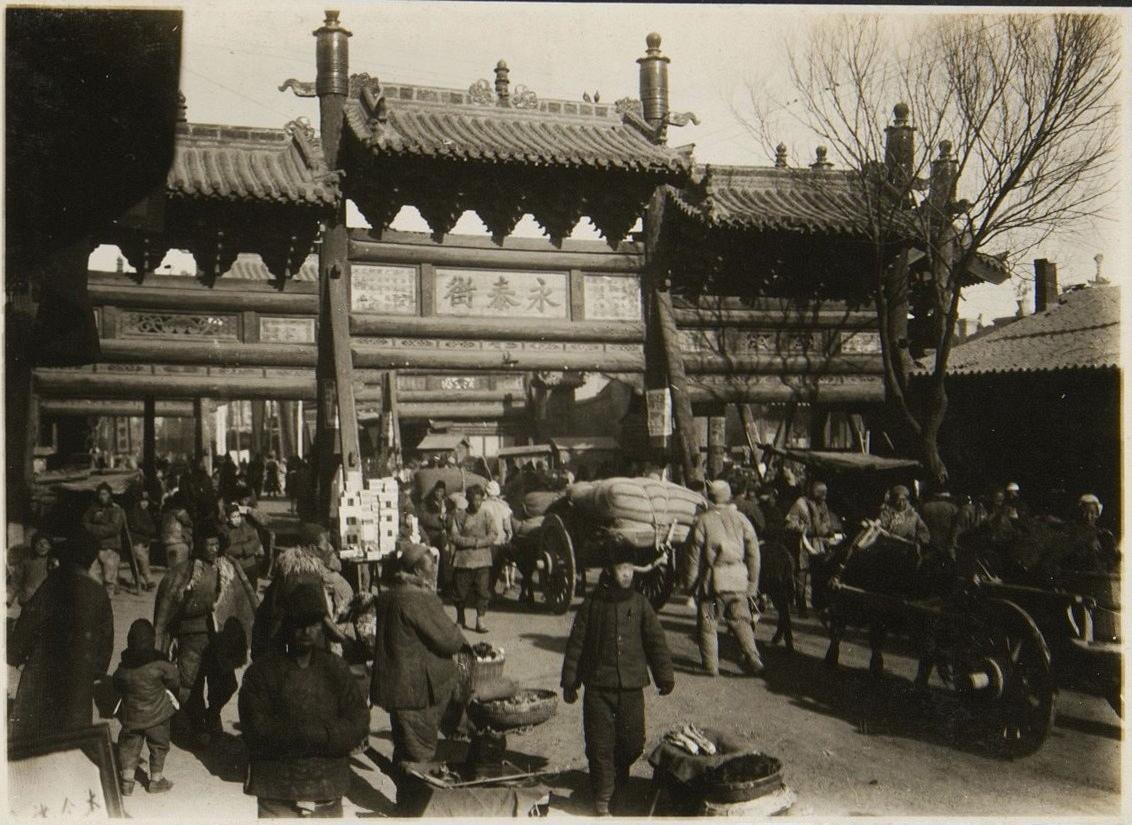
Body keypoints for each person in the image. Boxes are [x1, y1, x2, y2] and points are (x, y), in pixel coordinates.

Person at [561, 542, 674, 817]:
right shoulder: (592, 604)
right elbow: (576, 644)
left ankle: (616, 777)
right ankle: (603, 798)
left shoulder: (641, 604)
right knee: (599, 744)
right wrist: (570, 681)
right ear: (609, 570)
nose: (627, 573)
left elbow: (656, 643)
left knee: (633, 743)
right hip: (598, 688)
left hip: (631, 688)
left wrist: (664, 676)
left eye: (630, 568)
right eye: (621, 568)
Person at [239, 582, 370, 818]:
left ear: (322, 626)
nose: (306, 631)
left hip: (327, 785)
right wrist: (304, 734)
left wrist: (324, 735)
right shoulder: (262, 672)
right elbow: (255, 727)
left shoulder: (336, 669)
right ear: (286, 625)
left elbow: (359, 720)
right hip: (277, 788)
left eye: (314, 623)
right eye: (298, 623)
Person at [154, 528, 258, 747]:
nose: (213, 549)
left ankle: (212, 713)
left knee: (226, 684)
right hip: (192, 637)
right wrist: (161, 639)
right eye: (209, 544)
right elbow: (166, 607)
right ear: (199, 546)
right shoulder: (184, 572)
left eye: (216, 544)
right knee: (189, 685)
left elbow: (243, 602)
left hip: (220, 638)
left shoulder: (228, 568)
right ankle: (198, 723)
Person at [8, 533, 114, 740]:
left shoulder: (54, 583)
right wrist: (97, 671)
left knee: (36, 730)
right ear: (91, 559)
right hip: (79, 671)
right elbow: (105, 637)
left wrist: (15, 653)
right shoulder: (98, 592)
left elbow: (30, 619)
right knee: (71, 731)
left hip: (43, 666)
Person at [371, 543, 469, 769]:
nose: (435, 570)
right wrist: (457, 634)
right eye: (431, 566)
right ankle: (414, 789)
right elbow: (450, 641)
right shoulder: (418, 598)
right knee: (419, 753)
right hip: (418, 691)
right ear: (417, 571)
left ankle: (403, 786)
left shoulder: (388, 595)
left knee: (404, 746)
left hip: (397, 689)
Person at [684, 480, 764, 677]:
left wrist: (691, 585)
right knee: (741, 621)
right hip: (738, 582)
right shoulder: (741, 519)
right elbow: (754, 552)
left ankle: (711, 666)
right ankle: (753, 657)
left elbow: (693, 557)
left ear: (710, 497)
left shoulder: (703, 521)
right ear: (728, 496)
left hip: (714, 585)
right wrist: (752, 581)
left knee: (708, 624)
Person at [113, 619, 180, 795]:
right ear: (152, 640)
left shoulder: (124, 666)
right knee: (159, 745)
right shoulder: (160, 663)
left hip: (132, 716)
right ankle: (156, 780)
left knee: (129, 745)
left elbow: (116, 683)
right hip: (157, 714)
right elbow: (174, 679)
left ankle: (127, 781)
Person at [785, 480, 842, 617]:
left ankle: (818, 606)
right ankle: (801, 606)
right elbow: (789, 523)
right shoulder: (800, 503)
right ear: (815, 493)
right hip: (803, 544)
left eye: (825, 495)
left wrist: (827, 530)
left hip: (819, 544)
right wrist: (803, 528)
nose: (824, 497)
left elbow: (827, 522)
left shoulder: (823, 505)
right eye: (821, 494)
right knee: (801, 575)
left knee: (819, 576)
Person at [448, 484, 498, 633]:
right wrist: (470, 542)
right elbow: (454, 536)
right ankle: (460, 618)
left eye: (480, 500)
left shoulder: (486, 515)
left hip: (482, 560)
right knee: (460, 592)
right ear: (468, 500)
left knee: (482, 592)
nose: (477, 503)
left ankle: (480, 620)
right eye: (474, 500)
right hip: (463, 561)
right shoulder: (460, 516)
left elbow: (493, 534)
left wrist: (480, 543)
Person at [82, 481, 129, 595]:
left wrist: (93, 529)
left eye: (105, 494)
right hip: (96, 547)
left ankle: (107, 600)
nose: (102, 496)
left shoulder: (116, 509)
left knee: (109, 579)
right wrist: (97, 527)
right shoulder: (94, 509)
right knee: (92, 576)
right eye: (100, 494)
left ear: (109, 495)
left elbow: (113, 528)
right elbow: (84, 523)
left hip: (110, 548)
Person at [7, 531, 58, 607]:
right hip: (28, 600)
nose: (43, 546)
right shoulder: (26, 562)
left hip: (47, 601)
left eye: (46, 543)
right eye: (39, 543)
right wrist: (9, 599)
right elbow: (15, 581)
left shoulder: (53, 562)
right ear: (34, 545)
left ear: (50, 547)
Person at [481, 480, 516, 592]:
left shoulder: (482, 505)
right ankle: (491, 589)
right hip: (499, 542)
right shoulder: (504, 506)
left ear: (486, 492)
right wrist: (508, 537)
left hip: (485, 542)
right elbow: (508, 528)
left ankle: (485, 590)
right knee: (496, 567)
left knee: (485, 569)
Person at [221, 501, 265, 583]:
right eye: (233, 517)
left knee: (252, 584)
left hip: (250, 564)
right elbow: (227, 548)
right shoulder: (225, 530)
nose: (237, 519)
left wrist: (242, 548)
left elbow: (255, 542)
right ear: (228, 518)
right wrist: (242, 547)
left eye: (238, 516)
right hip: (234, 566)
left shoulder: (247, 527)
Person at [126, 486, 159, 590]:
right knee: (143, 560)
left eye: (146, 501)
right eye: (142, 501)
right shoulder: (134, 512)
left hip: (145, 541)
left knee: (143, 561)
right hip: (136, 541)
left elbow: (152, 527)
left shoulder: (146, 512)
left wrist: (149, 529)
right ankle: (149, 580)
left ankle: (136, 582)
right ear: (138, 501)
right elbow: (137, 525)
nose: (145, 503)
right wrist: (148, 529)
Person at [921, 486, 961, 560]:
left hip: (930, 546)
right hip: (947, 547)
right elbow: (955, 529)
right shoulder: (954, 508)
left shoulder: (925, 507)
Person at [161, 491, 195, 569]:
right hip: (179, 542)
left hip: (168, 542)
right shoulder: (180, 512)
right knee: (181, 568)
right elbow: (189, 522)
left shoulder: (166, 512)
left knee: (173, 569)